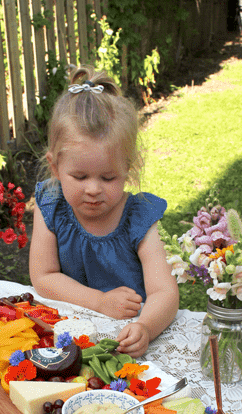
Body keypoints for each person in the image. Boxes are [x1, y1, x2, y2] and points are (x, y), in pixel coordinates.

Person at [29, 65, 179, 358]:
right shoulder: (50, 204)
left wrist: (146, 328)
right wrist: (98, 301)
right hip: (66, 340)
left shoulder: (139, 217)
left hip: (126, 340)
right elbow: (43, 276)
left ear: (128, 169)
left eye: (108, 178)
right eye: (80, 177)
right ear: (55, 166)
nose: (94, 189)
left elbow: (165, 292)